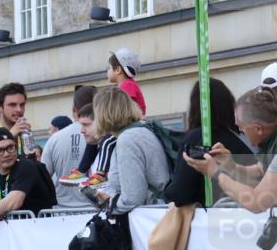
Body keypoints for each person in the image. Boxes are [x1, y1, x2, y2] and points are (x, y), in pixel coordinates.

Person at [183, 87, 277, 213]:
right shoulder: (270, 143)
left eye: (241, 127)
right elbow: (260, 172)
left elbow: (257, 201)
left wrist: (216, 174)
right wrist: (230, 166)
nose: (241, 132)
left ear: (258, 129)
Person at [61, 49, 145, 187]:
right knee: (95, 141)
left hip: (129, 126)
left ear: (118, 70)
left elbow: (122, 109)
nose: (108, 71)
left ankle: (101, 173)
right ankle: (82, 170)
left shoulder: (127, 86)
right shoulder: (125, 85)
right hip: (126, 126)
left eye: (109, 68)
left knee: (106, 142)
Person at [164, 78, 254, 207]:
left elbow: (180, 193)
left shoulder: (195, 139)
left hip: (210, 219)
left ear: (195, 106)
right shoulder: (244, 137)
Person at [94, 86, 169, 215]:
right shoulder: (141, 130)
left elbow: (133, 198)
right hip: (160, 213)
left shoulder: (127, 140)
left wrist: (111, 204)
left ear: (102, 114)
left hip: (152, 219)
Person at [41, 85, 97, 208]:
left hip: (62, 212)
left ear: (74, 108)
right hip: (95, 209)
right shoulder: (102, 136)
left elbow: (43, 178)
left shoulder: (54, 139)